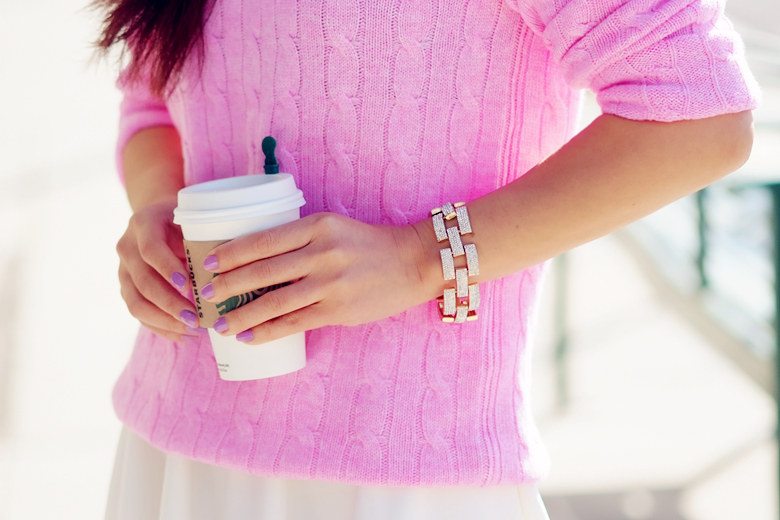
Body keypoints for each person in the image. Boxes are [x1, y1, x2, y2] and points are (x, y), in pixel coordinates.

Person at [92, 0, 761, 518]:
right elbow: (147, 95)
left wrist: (421, 257)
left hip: (415, 481)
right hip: (173, 453)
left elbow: (704, 115)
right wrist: (157, 211)